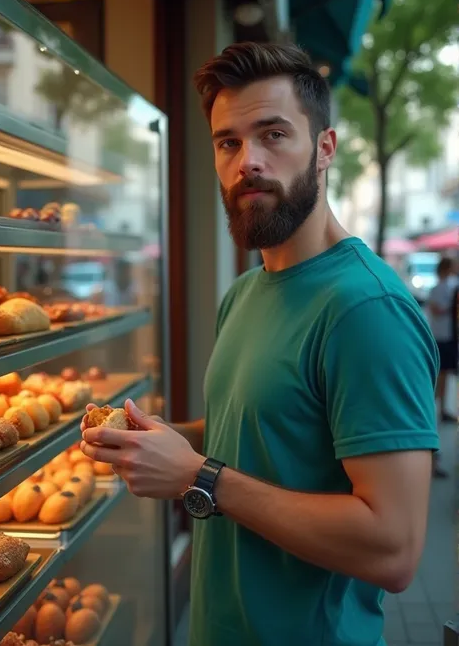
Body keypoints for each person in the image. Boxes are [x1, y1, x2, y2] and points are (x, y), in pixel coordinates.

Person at [81, 43, 439, 646]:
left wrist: (199, 476)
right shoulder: (244, 292)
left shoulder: (367, 310)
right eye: (229, 142)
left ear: (324, 148)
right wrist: (168, 440)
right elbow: (261, 430)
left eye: (274, 135)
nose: (249, 160)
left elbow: (394, 548)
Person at [428, 257, 458, 423]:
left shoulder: (445, 286)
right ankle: (439, 409)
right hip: (443, 336)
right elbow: (436, 309)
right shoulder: (444, 287)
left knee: (442, 374)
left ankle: (440, 408)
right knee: (442, 374)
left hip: (441, 335)